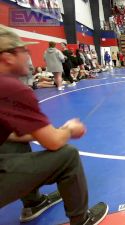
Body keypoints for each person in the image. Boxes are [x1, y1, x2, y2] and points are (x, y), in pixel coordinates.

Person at [0, 25, 108, 225]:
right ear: (7, 57)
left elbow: (8, 136)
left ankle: (34, 203)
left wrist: (42, 133)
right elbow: (54, 143)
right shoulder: (10, 88)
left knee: (13, 144)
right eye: (23, 51)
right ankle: (81, 220)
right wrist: (67, 129)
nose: (28, 56)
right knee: (68, 155)